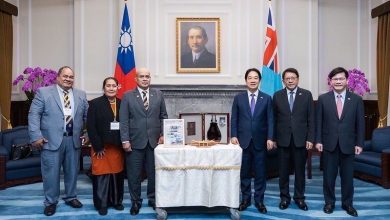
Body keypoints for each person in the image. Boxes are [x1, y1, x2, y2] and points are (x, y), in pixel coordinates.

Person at [28, 66, 88, 216]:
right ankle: (50, 202)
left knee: (72, 172)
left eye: (71, 77)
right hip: (51, 140)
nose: (68, 79)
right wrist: (36, 136)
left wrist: (88, 134)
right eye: (65, 76)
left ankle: (71, 196)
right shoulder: (44, 92)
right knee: (51, 173)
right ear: (58, 77)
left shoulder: (81, 94)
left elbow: (88, 117)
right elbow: (34, 114)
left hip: (73, 140)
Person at [315, 67, 364, 217]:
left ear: (347, 80)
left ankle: (347, 204)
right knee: (328, 177)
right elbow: (319, 122)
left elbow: (360, 123)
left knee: (348, 177)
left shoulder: (356, 99)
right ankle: (329, 202)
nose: (338, 81)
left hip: (348, 144)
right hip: (329, 144)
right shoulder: (323, 99)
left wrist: (359, 143)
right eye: (335, 79)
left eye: (341, 78)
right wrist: (318, 140)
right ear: (330, 81)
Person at [119, 67, 168, 215]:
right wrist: (125, 140)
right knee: (134, 174)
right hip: (134, 142)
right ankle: (135, 201)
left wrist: (163, 134)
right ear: (136, 79)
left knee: (154, 174)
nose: (145, 79)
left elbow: (163, 116)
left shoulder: (158, 94)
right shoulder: (127, 96)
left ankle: (152, 199)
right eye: (142, 76)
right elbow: (124, 120)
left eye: (147, 76)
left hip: (154, 143)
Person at [231, 68, 274, 214]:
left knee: (261, 173)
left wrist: (270, 137)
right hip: (242, 141)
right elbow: (234, 118)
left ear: (259, 80)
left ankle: (259, 201)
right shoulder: (238, 98)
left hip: (260, 142)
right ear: (246, 80)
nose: (253, 80)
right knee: (244, 172)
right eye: (250, 77)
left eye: (256, 77)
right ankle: (245, 199)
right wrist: (233, 135)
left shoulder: (267, 98)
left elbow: (270, 120)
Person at [272, 68, 315, 211]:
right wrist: (273, 138)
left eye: (293, 78)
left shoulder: (307, 95)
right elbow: (274, 119)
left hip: (300, 140)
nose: (290, 80)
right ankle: (284, 198)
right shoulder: (277, 96)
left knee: (299, 172)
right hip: (282, 140)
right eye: (287, 78)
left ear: (298, 79)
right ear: (283, 80)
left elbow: (311, 119)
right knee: (283, 172)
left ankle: (299, 198)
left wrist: (310, 138)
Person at [87, 77, 125, 215]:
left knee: (116, 175)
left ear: (117, 87)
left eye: (113, 86)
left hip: (116, 146)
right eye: (108, 86)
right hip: (101, 147)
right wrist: (97, 146)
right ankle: (101, 204)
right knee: (101, 175)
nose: (111, 88)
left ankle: (116, 201)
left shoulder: (122, 103)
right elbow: (91, 126)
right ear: (104, 88)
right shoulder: (95, 103)